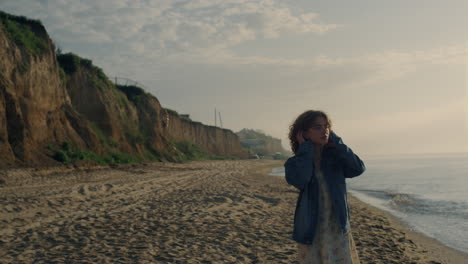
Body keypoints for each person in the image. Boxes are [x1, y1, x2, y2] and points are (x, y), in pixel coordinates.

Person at [284, 110, 366, 264]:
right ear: (304, 133)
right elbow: (301, 179)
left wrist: (337, 142)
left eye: (326, 126)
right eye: (317, 127)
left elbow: (358, 168)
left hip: (336, 225)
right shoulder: (294, 162)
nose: (324, 130)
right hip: (311, 228)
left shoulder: (336, 157)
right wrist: (305, 151)